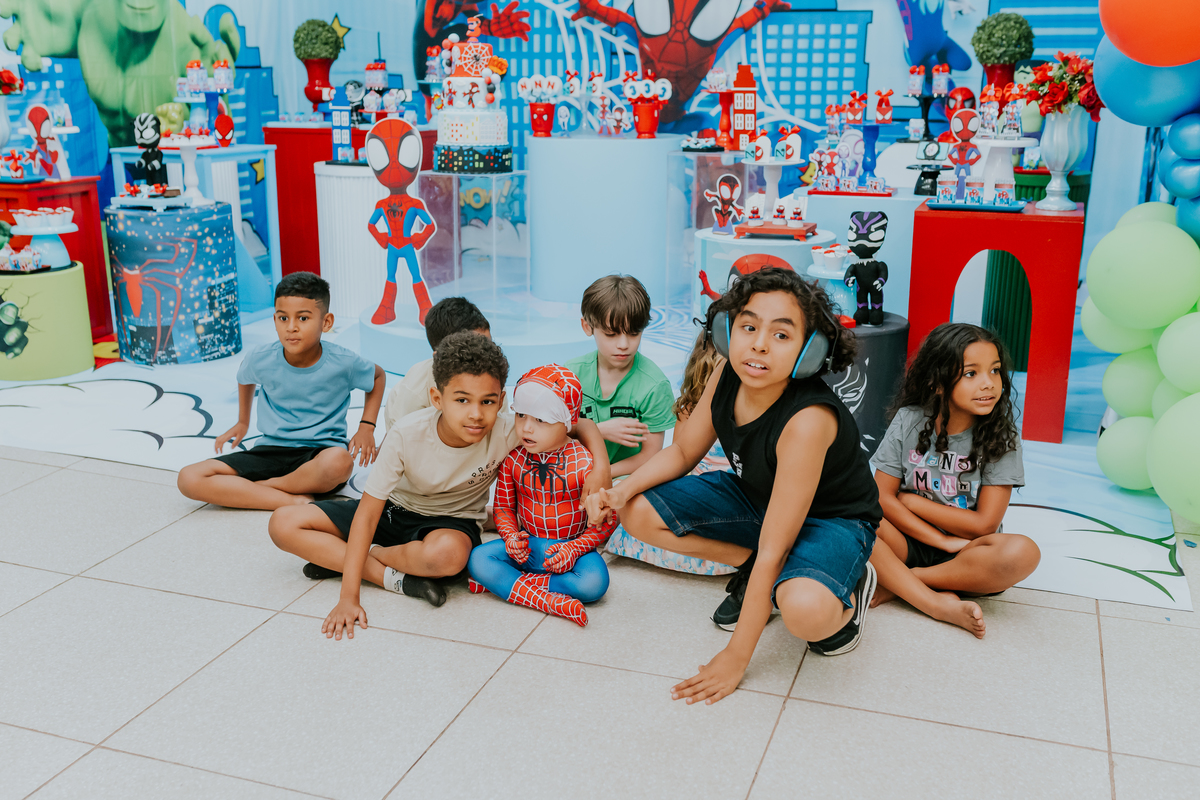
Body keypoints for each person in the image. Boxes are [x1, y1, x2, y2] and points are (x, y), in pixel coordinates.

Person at [587, 268, 882, 705]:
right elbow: (684, 452)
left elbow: (773, 548)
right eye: (748, 327)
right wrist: (620, 492)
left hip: (832, 522)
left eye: (781, 335)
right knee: (637, 512)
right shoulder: (729, 370)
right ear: (728, 332)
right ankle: (773, 582)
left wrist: (735, 657)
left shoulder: (808, 421)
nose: (759, 344)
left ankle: (844, 593)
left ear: (810, 350)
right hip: (758, 498)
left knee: (804, 613)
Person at [267, 333, 611, 636]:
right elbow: (369, 514)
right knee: (283, 523)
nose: (475, 414)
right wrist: (348, 598)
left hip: (450, 524)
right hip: (393, 513)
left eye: (487, 402)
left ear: (502, 401)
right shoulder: (406, 434)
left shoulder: (511, 429)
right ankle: (393, 577)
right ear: (437, 398)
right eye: (461, 400)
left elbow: (577, 423)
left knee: (449, 557)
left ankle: (344, 559)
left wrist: (600, 469)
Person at [867, 323, 1040, 638]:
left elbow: (985, 525)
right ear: (937, 382)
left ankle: (907, 581)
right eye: (971, 374)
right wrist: (938, 539)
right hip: (906, 538)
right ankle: (934, 602)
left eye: (995, 371)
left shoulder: (1002, 436)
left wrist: (913, 501)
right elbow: (881, 497)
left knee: (1023, 552)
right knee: (854, 518)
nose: (988, 384)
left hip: (968, 553)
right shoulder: (909, 419)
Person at [177, 272, 384, 510]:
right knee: (188, 477)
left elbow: (377, 376)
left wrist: (367, 427)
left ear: (326, 322)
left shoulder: (343, 362)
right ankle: (290, 499)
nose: (291, 327)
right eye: (283, 318)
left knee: (340, 462)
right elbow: (245, 378)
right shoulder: (260, 357)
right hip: (269, 451)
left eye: (303, 319)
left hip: (320, 454)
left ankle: (265, 488)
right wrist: (243, 422)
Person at [467, 364, 618, 626]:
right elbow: (502, 508)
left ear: (568, 422)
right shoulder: (513, 461)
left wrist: (573, 548)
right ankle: (549, 600)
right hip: (527, 548)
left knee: (595, 583)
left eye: (540, 420)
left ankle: (506, 585)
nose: (526, 428)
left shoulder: (584, 465)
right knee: (478, 558)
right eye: (522, 415)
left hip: (571, 551)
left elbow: (607, 520)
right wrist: (511, 537)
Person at [566, 275, 676, 478]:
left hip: (624, 477)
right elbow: (549, 435)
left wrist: (602, 474)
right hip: (573, 471)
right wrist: (598, 430)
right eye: (611, 334)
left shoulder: (654, 386)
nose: (624, 344)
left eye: (634, 333)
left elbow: (650, 455)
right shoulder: (569, 376)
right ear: (587, 327)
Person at [382, 296, 491, 430]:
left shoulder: (491, 373)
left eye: (489, 347)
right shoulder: (414, 393)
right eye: (473, 353)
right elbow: (404, 441)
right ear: (441, 358)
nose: (486, 357)